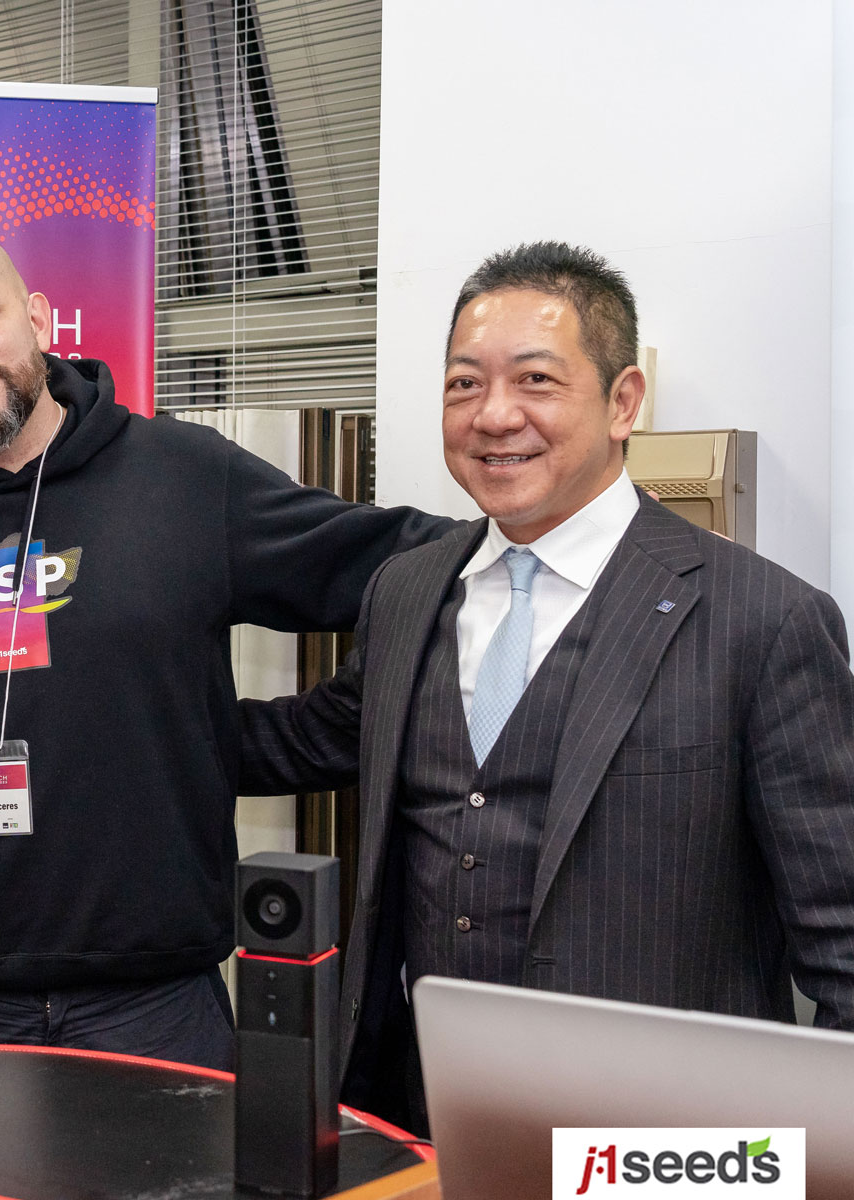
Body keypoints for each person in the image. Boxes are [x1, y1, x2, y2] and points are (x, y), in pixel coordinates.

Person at [0, 230, 451, 1071]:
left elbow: (411, 571)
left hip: (157, 1010)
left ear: (36, 320)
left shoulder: (186, 479)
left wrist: (253, 739)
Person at [239, 241, 854, 1133]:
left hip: (659, 1140)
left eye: (535, 380)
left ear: (623, 402)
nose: (494, 416)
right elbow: (307, 739)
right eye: (463, 384)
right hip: (427, 1118)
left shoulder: (764, 621)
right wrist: (93, 704)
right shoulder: (408, 591)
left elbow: (843, 940)